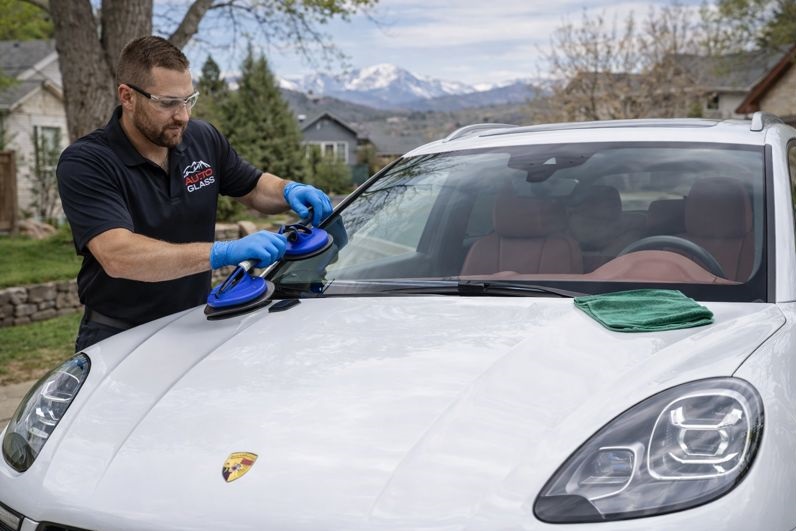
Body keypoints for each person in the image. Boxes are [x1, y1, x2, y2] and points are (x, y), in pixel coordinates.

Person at [56, 36, 333, 352]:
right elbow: (119, 255)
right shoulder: (87, 161)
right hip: (119, 335)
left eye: (188, 100)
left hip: (196, 320)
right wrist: (223, 252)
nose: (183, 116)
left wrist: (288, 189)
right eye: (167, 102)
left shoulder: (202, 138)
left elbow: (254, 187)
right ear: (127, 97)